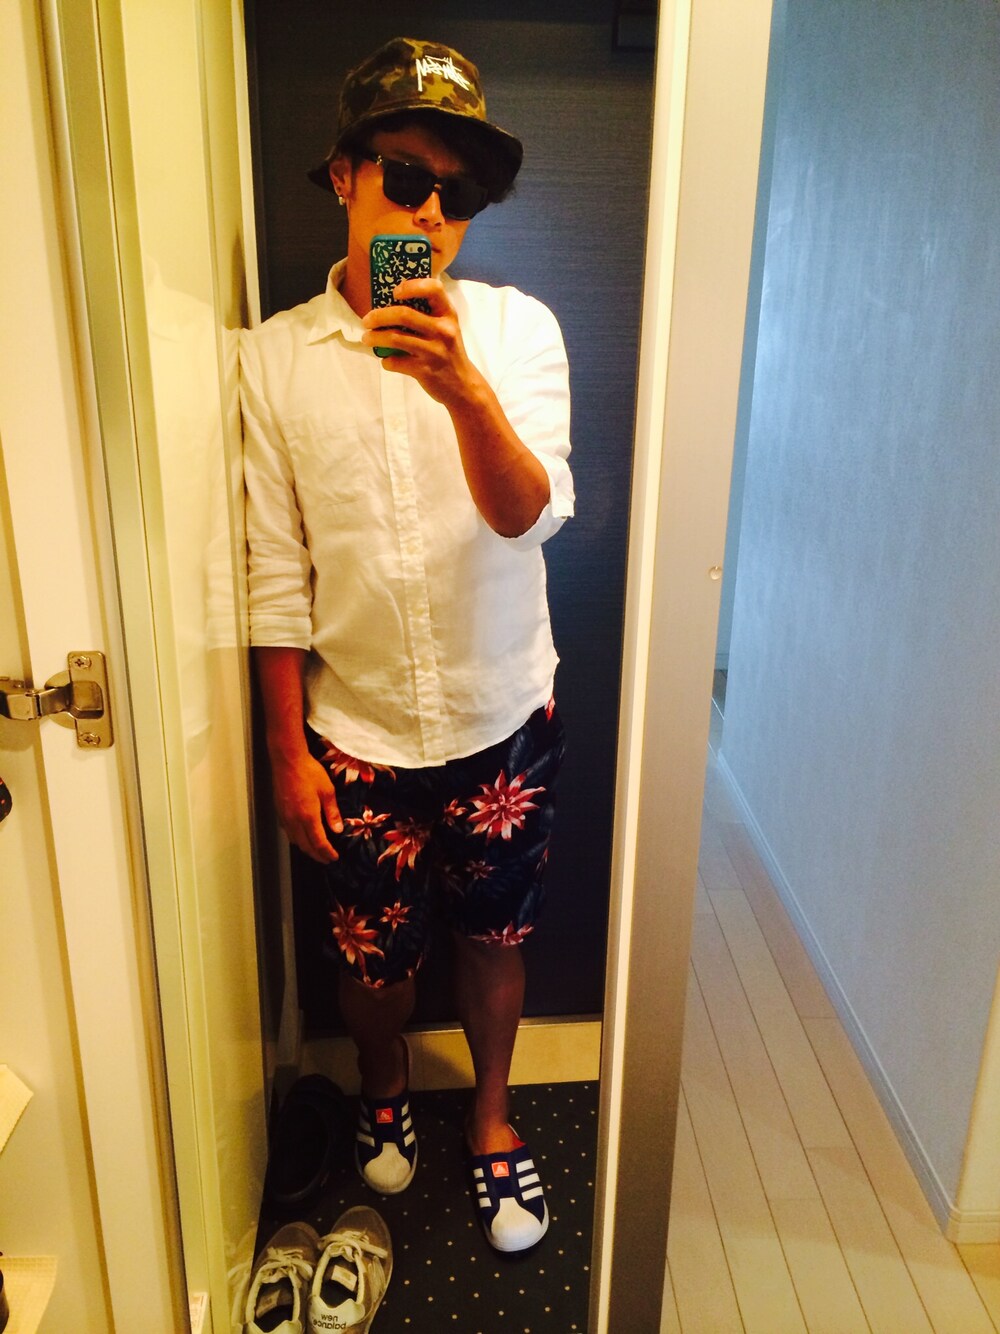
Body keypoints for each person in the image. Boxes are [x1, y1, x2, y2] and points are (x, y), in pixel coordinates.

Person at [241, 37, 573, 1255]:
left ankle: (489, 1115)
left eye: (459, 193)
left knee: (496, 938)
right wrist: (288, 752)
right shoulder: (271, 360)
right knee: (371, 959)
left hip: (501, 715)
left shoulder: (519, 332)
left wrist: (463, 389)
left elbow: (532, 514)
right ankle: (383, 1084)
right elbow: (271, 568)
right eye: (406, 177)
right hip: (357, 728)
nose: (432, 214)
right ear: (344, 175)